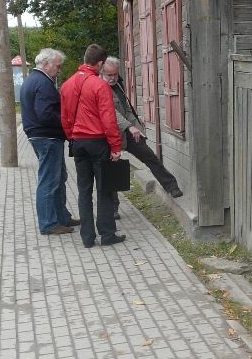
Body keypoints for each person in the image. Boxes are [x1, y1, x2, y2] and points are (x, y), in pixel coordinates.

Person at [100, 57, 183, 221]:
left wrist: (136, 125)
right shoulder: (99, 87)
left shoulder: (118, 85)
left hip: (128, 131)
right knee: (111, 169)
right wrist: (129, 126)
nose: (112, 78)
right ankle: (113, 208)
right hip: (109, 134)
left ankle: (171, 186)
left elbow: (125, 109)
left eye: (115, 74)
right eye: (109, 75)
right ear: (102, 73)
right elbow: (110, 112)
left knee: (149, 156)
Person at [60, 44, 125, 248]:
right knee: (105, 188)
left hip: (77, 143)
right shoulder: (99, 85)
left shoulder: (67, 84)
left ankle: (87, 237)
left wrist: (72, 136)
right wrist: (116, 147)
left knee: (83, 190)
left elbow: (64, 118)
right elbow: (109, 119)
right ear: (99, 63)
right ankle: (107, 234)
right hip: (98, 142)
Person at [20, 48, 78, 235]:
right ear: (46, 64)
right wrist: (67, 120)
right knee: (49, 180)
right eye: (57, 66)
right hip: (47, 136)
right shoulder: (43, 83)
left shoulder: (33, 80)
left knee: (59, 177)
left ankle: (62, 218)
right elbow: (45, 114)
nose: (59, 71)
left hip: (41, 135)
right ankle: (48, 223)